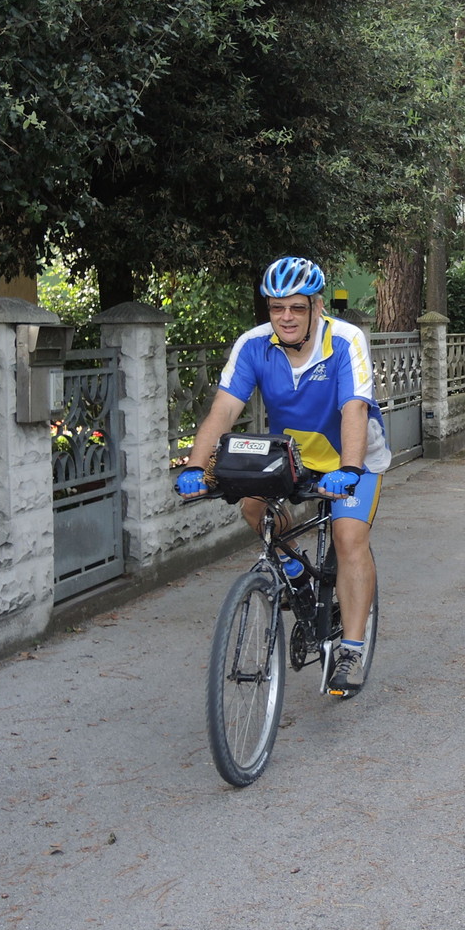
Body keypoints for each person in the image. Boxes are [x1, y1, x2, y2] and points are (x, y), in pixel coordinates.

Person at [176, 257, 388, 698]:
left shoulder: (345, 339)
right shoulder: (254, 345)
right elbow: (224, 410)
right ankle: (297, 570)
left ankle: (350, 646)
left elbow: (354, 409)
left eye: (295, 307)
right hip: (294, 452)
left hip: (355, 455)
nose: (285, 317)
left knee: (349, 537)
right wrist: (196, 466)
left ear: (316, 306)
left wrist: (348, 470)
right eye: (276, 308)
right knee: (254, 507)